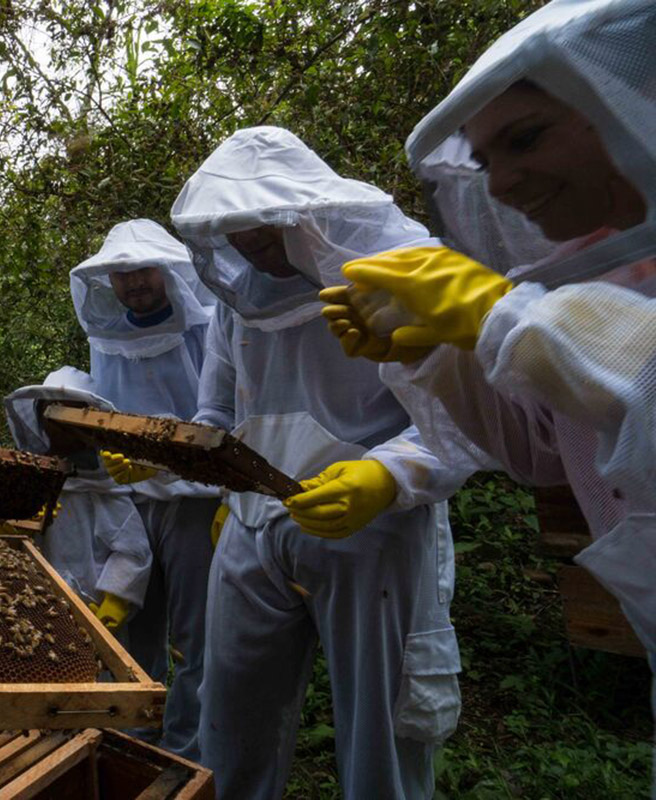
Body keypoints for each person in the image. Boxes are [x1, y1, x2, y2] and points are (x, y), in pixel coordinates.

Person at [318, 0, 656, 786]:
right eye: (486, 157)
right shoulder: (596, 268)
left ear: (628, 96)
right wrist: (441, 354)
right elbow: (544, 451)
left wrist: (497, 316)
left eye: (527, 137)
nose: (501, 183)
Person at [170, 126, 470, 798]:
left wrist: (386, 475)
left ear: (304, 212)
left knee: (383, 728)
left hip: (374, 527)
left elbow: (461, 417)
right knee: (232, 716)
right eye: (235, 234)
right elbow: (219, 412)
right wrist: (182, 453)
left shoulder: (397, 266)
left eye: (261, 230)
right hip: (250, 528)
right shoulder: (238, 300)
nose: (248, 246)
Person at [68, 218, 219, 759]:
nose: (133, 283)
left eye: (143, 270)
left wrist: (175, 469)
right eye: (121, 274)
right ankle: (134, 738)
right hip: (126, 504)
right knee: (133, 626)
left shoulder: (205, 326)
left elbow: (220, 417)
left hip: (194, 504)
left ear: (168, 270)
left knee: (196, 633)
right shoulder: (106, 337)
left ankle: (188, 751)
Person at [4, 367, 152, 636]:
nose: (60, 418)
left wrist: (116, 598)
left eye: (71, 410)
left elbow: (132, 550)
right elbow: (7, 542)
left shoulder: (104, 486)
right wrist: (8, 526)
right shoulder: (26, 477)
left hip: (91, 609)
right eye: (52, 408)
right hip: (28, 606)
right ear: (40, 415)